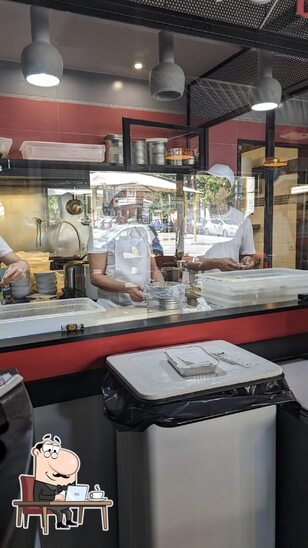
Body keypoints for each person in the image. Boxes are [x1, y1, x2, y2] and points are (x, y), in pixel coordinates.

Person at [185, 164, 256, 272]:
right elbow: (185, 260)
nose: (210, 190)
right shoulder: (192, 218)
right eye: (208, 184)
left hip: (230, 284)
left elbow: (247, 255)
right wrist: (215, 264)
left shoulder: (242, 221)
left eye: (216, 186)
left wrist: (248, 260)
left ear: (228, 191)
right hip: (200, 286)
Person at [88, 224, 164, 308]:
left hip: (144, 305)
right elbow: (96, 277)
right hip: (112, 307)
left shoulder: (143, 230)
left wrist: (163, 290)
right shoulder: (101, 233)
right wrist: (129, 288)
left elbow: (154, 269)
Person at [32, 434, 79, 529]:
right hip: (42, 501)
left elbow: (58, 489)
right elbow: (38, 496)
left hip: (54, 501)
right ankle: (59, 523)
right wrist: (54, 496)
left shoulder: (52, 483)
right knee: (58, 511)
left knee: (68, 510)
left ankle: (69, 521)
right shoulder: (39, 483)